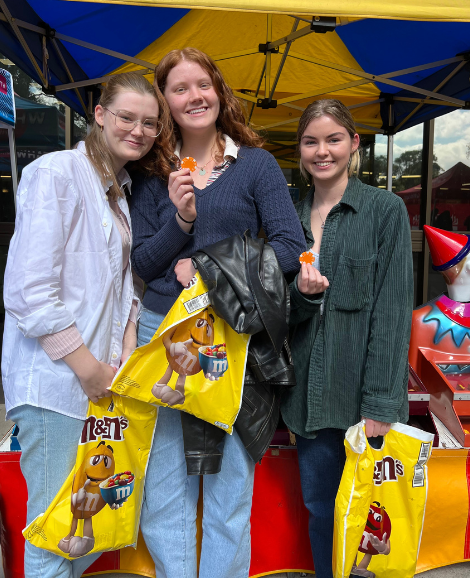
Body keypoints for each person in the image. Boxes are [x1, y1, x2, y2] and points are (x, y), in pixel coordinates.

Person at [129, 47, 305, 578]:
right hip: (161, 332)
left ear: (218, 91)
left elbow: (289, 244)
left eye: (201, 84)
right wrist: (181, 223)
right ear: (165, 103)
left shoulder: (255, 163)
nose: (193, 97)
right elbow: (142, 261)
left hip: (232, 334)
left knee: (229, 488)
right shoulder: (149, 170)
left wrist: (213, 268)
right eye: (178, 89)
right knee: (165, 491)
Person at [1, 72, 172, 578]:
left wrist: (115, 360)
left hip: (95, 382)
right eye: (126, 117)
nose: (138, 131)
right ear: (99, 115)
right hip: (56, 383)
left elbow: (121, 292)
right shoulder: (58, 173)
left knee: (85, 530)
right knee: (57, 535)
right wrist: (86, 366)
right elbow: (28, 291)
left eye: (149, 123)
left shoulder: (118, 189)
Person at [280, 99, 413, 578]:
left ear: (354, 144)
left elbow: (394, 311)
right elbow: (276, 314)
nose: (323, 151)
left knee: (370, 522)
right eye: (311, 141)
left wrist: (380, 402)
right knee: (321, 509)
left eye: (333, 139)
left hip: (362, 398)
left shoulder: (384, 210)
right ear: (300, 150)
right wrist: (303, 295)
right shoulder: (286, 217)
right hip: (306, 401)